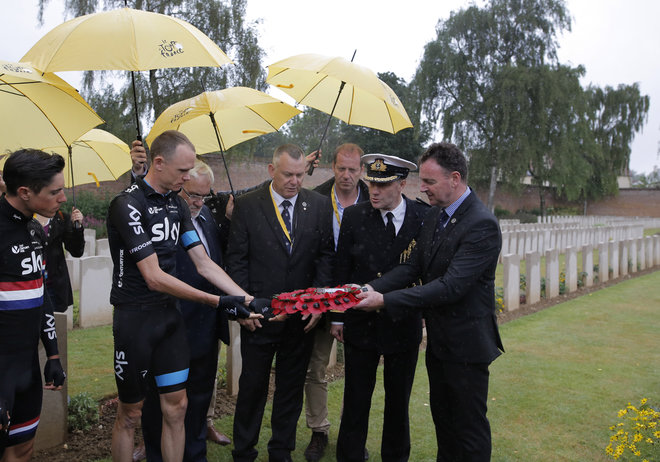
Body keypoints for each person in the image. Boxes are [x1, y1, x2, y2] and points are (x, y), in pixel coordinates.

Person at [106, 130, 261, 462]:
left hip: (169, 319)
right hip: (136, 320)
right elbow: (154, 276)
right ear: (158, 163)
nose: (187, 177)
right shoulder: (127, 204)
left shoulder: (176, 202)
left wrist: (247, 299)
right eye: (182, 171)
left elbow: (203, 262)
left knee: (178, 407)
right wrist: (218, 301)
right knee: (131, 414)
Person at [356, 142, 504, 462]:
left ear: (455, 178)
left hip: (467, 347)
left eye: (429, 182)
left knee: (468, 430)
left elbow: (450, 287)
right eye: (421, 181)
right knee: (445, 426)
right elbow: (413, 267)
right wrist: (369, 287)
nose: (421, 189)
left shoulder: (481, 224)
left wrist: (384, 300)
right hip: (440, 345)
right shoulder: (436, 214)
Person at [225, 143, 335, 462]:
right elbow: (237, 261)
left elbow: (325, 257)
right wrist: (245, 308)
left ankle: (280, 450)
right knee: (252, 389)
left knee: (289, 389)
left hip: (300, 319)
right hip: (259, 317)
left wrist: (317, 303)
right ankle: (244, 451)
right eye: (288, 174)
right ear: (272, 170)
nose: (295, 181)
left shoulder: (317, 205)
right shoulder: (247, 206)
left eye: (300, 175)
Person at [333, 154, 428, 462]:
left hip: (403, 322)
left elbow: (422, 269)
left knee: (398, 403)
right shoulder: (355, 216)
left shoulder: (423, 218)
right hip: (362, 323)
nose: (374, 190)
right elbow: (342, 269)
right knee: (356, 399)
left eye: (383, 185)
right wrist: (338, 317)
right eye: (372, 183)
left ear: (402, 184)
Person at [137, 159, 234, 461]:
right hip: (171, 324)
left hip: (206, 327)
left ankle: (195, 454)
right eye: (191, 194)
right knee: (160, 402)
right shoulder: (159, 222)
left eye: (204, 196)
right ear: (178, 185)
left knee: (199, 397)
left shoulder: (206, 219)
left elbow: (214, 263)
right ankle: (155, 452)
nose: (197, 202)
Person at [302, 143, 369, 462]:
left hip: (359, 298)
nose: (346, 175)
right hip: (322, 293)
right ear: (332, 165)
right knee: (315, 367)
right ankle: (319, 430)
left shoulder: (374, 198)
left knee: (360, 372)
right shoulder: (315, 197)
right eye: (341, 168)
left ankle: (353, 436)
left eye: (352, 169)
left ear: (361, 170)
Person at [0, 149, 67, 461]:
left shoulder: (34, 229)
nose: (63, 198)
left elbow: (39, 294)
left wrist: (52, 354)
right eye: (55, 192)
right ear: (25, 192)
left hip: (26, 366)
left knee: (23, 449)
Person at [34, 207, 85, 314]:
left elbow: (76, 251)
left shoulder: (61, 218)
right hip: (31, 285)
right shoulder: (26, 217)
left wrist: (77, 227)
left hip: (53, 286)